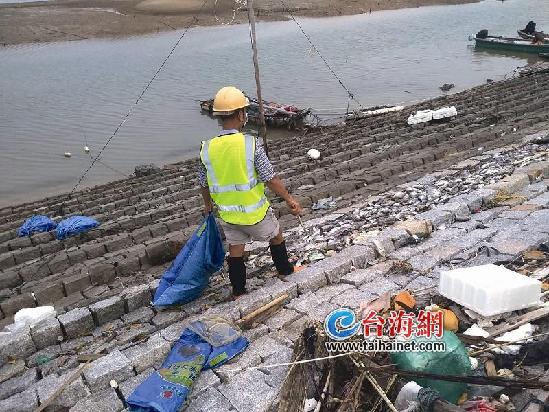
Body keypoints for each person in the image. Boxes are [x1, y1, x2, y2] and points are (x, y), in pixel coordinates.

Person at [198, 86, 303, 298]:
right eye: (244, 111)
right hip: (255, 213)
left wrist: (208, 206)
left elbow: (203, 183)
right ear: (240, 114)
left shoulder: (207, 148)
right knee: (276, 235)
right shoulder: (250, 144)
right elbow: (270, 179)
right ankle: (285, 270)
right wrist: (289, 199)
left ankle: (238, 291)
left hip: (227, 214)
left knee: (236, 248)